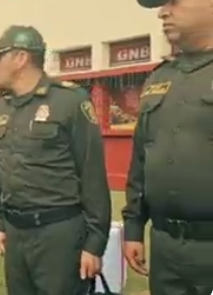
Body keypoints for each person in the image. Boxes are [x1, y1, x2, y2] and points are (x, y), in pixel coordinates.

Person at [0, 25, 112, 295]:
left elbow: (92, 175)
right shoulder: (0, 108)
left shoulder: (68, 102)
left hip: (58, 234)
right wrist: (3, 224)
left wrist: (94, 244)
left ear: (21, 58)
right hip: (17, 234)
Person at [123, 0, 213, 294]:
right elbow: (141, 158)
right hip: (166, 249)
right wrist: (134, 229)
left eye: (174, 2)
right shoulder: (160, 77)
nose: (163, 12)